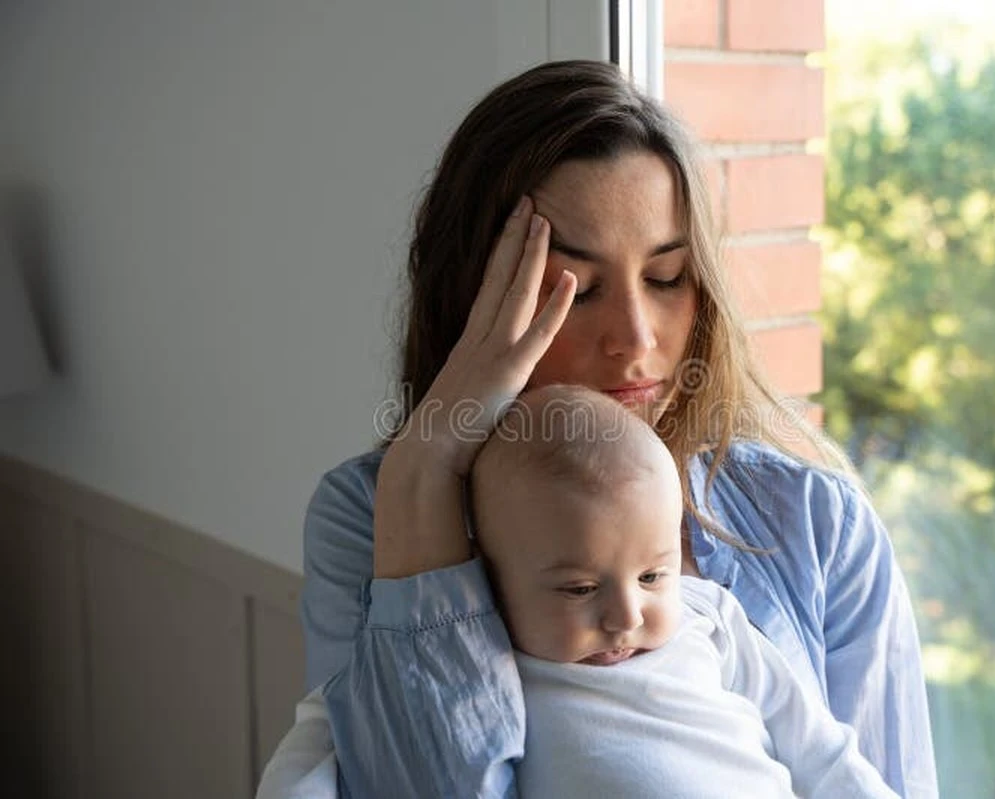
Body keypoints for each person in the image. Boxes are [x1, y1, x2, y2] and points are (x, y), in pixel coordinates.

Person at [256, 59, 937, 798]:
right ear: (474, 300)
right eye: (572, 290)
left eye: (667, 277)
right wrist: (426, 467)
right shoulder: (368, 513)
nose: (635, 337)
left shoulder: (817, 524)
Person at [469, 383, 899, 798]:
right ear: (493, 578)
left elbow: (818, 750)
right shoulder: (490, 664)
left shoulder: (707, 616)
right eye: (580, 589)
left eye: (652, 577)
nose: (627, 616)